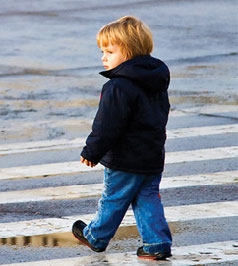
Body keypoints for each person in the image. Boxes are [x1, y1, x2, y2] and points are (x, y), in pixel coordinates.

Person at [72, 16, 172, 260]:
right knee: (147, 198)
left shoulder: (118, 86)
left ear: (129, 52)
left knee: (114, 198)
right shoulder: (156, 80)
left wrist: (91, 151)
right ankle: (157, 243)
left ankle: (95, 236)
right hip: (151, 155)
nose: (103, 57)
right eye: (102, 51)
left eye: (109, 51)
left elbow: (107, 125)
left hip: (124, 158)